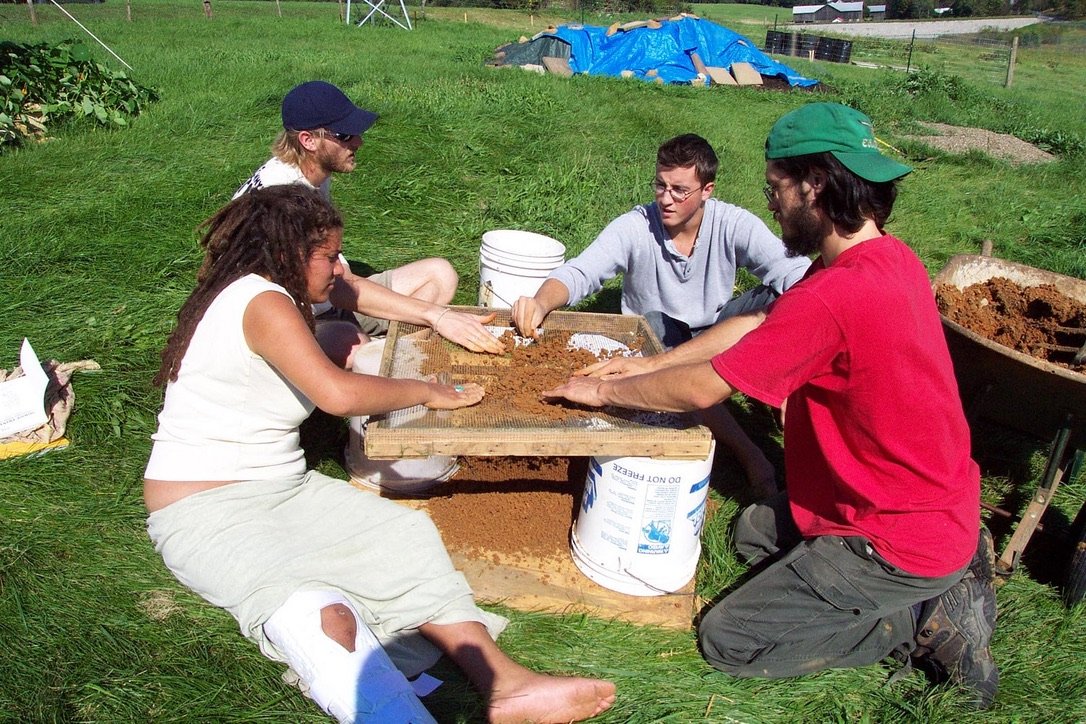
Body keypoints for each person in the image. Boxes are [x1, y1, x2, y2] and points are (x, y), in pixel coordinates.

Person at [542, 103, 998, 708]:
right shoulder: (884, 259)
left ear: (815, 185)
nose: (772, 202)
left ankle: (918, 621)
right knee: (753, 530)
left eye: (776, 187)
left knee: (729, 638)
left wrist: (602, 391)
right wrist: (650, 363)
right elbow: (760, 318)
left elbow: (707, 389)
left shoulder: (839, 295)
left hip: (895, 536)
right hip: (903, 500)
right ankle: (942, 564)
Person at [143, 185, 616, 724]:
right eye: (329, 255)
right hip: (203, 511)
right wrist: (428, 391)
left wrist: (435, 317)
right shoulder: (264, 303)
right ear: (290, 255)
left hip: (281, 488)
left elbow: (350, 293)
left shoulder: (272, 288)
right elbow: (339, 394)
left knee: (403, 536)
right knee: (318, 611)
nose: (340, 265)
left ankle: (507, 685)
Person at [513, 133, 810, 496]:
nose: (665, 199)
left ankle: (777, 395)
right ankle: (749, 455)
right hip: (656, 340)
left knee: (785, 298)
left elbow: (797, 275)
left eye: (679, 190)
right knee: (658, 330)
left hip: (716, 327)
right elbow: (582, 271)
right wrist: (542, 301)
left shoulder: (735, 224)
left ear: (707, 190)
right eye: (660, 185)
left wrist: (794, 380)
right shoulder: (636, 226)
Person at [235, 80, 503, 366]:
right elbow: (339, 288)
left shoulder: (311, 174)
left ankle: (389, 348)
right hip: (291, 313)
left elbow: (336, 279)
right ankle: (388, 351)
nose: (358, 142)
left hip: (321, 291)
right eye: (345, 135)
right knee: (351, 344)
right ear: (308, 140)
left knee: (441, 274)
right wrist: (435, 315)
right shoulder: (286, 201)